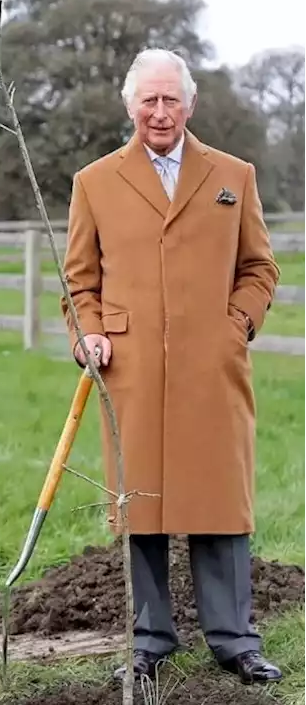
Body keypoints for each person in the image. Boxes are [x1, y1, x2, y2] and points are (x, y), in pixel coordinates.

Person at [62, 48, 281, 685]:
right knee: (142, 502)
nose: (160, 112)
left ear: (190, 104)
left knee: (219, 500)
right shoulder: (95, 182)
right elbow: (78, 283)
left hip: (212, 368)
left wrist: (235, 325)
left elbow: (259, 268)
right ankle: (150, 639)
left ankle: (235, 640)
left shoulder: (231, 176)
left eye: (171, 100)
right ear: (130, 105)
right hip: (129, 371)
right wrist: (92, 336)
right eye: (148, 100)